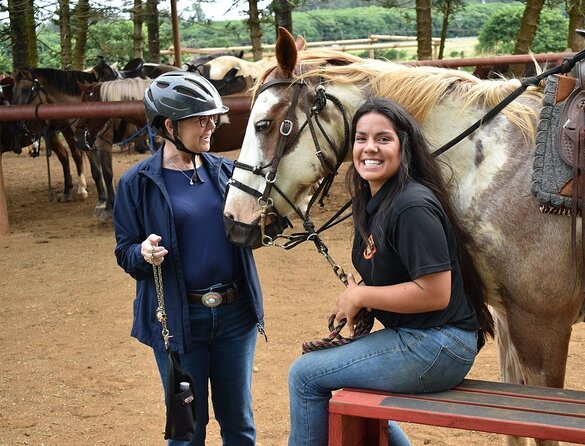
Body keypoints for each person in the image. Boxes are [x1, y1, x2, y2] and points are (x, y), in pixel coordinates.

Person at [287, 97, 495, 445]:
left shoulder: (411, 205)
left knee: (305, 376)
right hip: (427, 341)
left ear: (404, 147)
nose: (370, 148)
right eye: (361, 138)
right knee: (350, 395)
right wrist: (360, 296)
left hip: (438, 346)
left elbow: (435, 292)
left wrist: (363, 294)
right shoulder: (378, 201)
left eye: (383, 139)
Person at [113, 71, 264, 446]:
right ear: (169, 125)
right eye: (202, 118)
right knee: (187, 432)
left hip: (235, 317)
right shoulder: (137, 183)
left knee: (240, 426)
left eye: (213, 116)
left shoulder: (227, 173)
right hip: (180, 323)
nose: (212, 125)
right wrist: (143, 253)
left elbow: (255, 229)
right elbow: (124, 250)